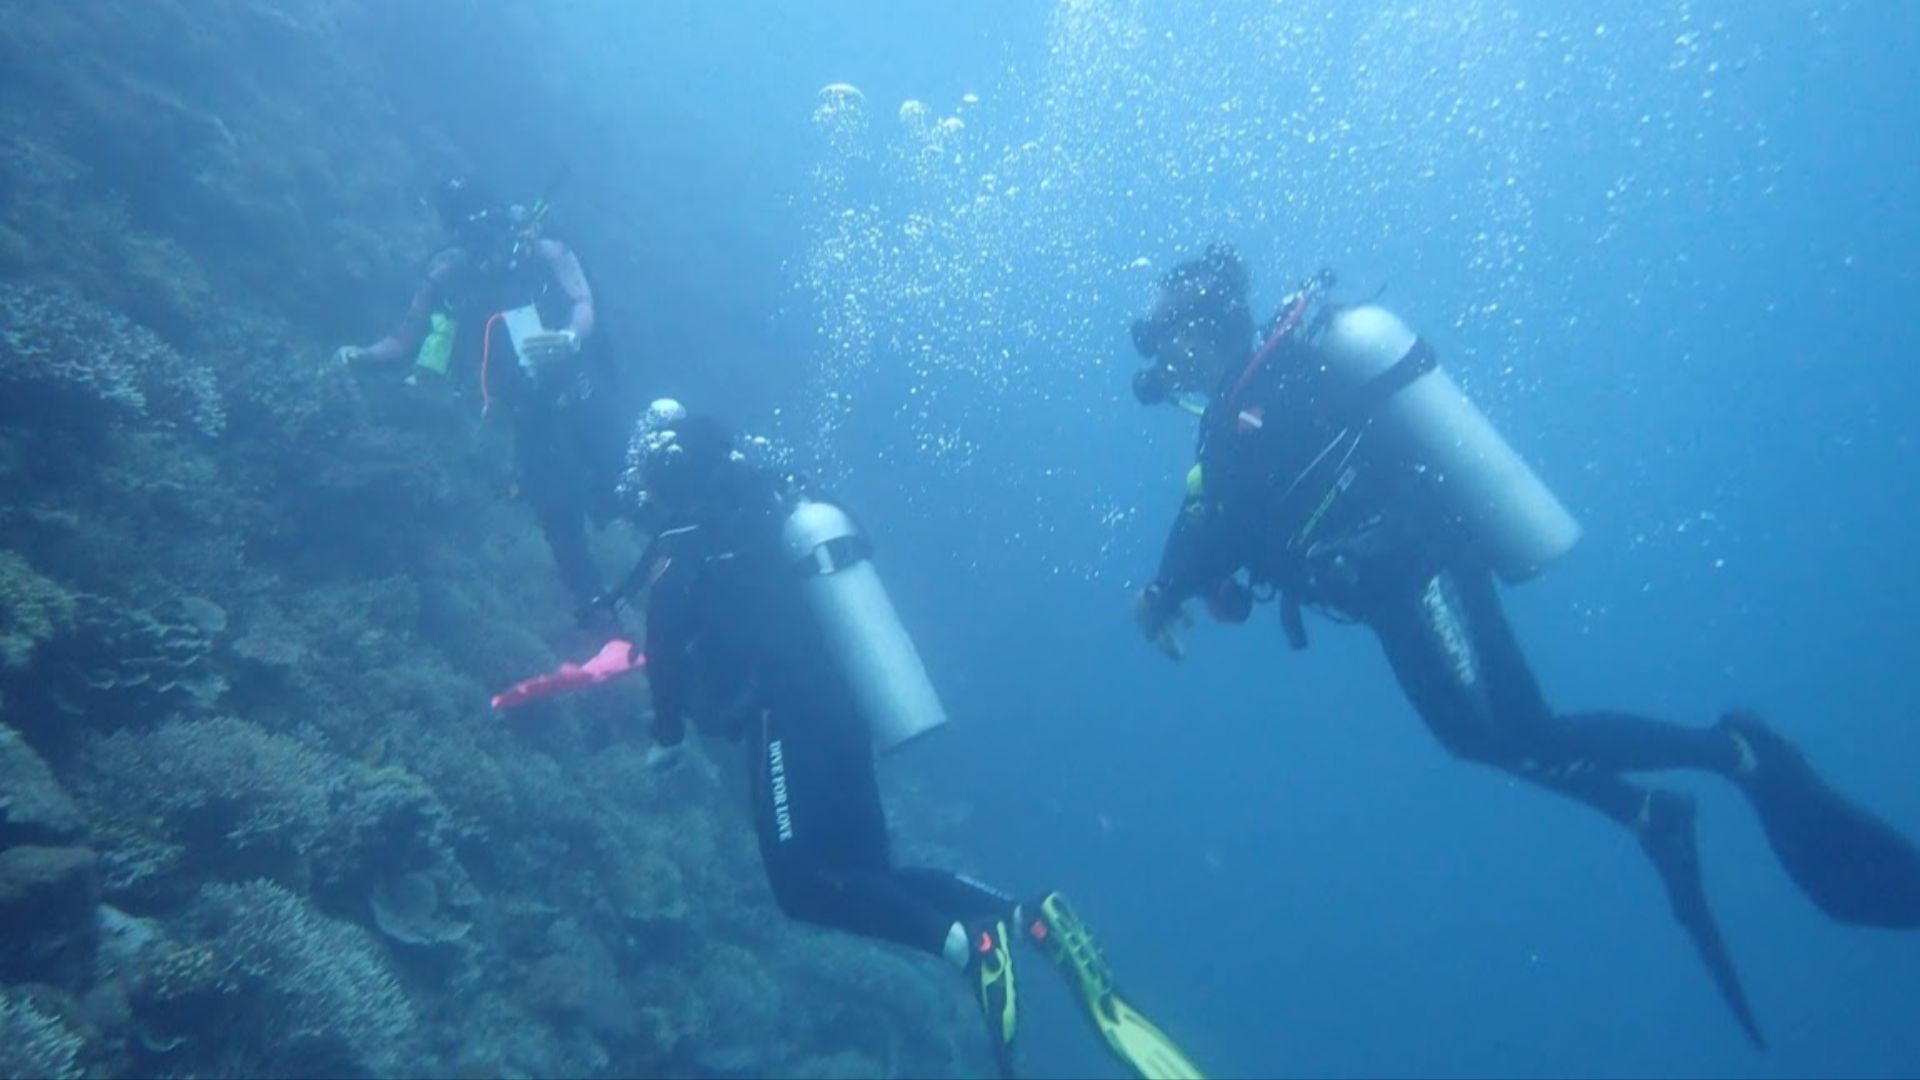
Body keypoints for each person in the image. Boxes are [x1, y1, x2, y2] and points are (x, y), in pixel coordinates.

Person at [1124, 243, 1920, 1049]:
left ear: (1209, 326)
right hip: (1389, 592)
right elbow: (1215, 512)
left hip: (1422, 565)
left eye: (1171, 338)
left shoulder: (1274, 386)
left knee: (1523, 727)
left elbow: (1227, 513)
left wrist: (1164, 591)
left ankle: (1732, 752)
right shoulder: (1241, 407)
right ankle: (1646, 812)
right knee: (1473, 738)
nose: (1167, 362)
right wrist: (1170, 584)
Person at [604, 407, 1204, 1080]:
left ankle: (970, 949)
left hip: (786, 716)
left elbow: (662, 646)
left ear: (670, 474)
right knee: (869, 872)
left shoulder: (687, 539)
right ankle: (1026, 916)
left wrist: (667, 736)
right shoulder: (776, 501)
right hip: (845, 705)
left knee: (801, 884)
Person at [333, 176, 630, 614]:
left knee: (626, 487)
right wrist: (360, 356)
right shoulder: (449, 274)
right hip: (531, 415)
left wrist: (569, 338)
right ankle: (599, 611)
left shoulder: (544, 251)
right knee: (558, 517)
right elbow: (403, 340)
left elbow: (583, 302)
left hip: (579, 393)